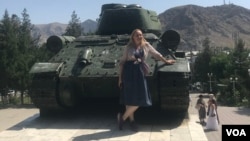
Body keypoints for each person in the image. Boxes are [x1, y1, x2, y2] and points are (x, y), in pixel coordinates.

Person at [118, 29, 175, 131]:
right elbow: (122, 62)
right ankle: (131, 121)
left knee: (140, 99)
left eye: (140, 35)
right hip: (128, 73)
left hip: (139, 72)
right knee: (130, 98)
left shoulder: (146, 45)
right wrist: (120, 78)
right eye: (137, 35)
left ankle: (122, 118)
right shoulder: (128, 47)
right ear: (133, 37)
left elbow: (156, 54)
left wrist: (166, 61)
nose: (139, 36)